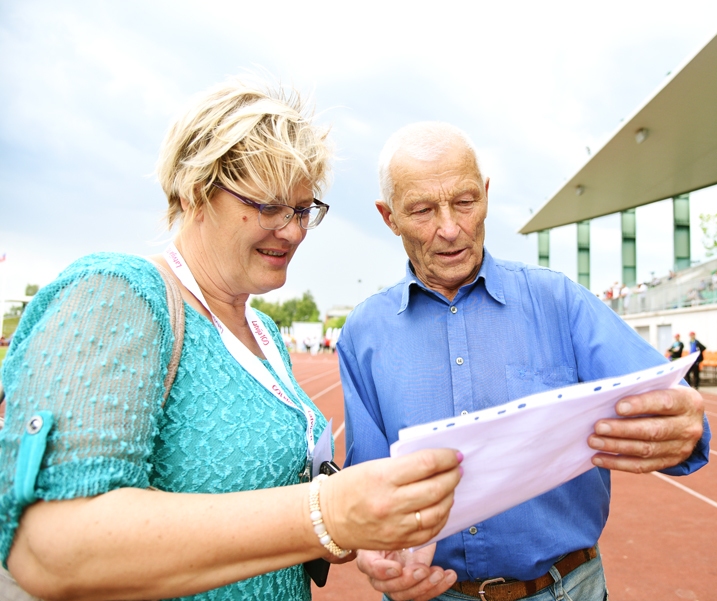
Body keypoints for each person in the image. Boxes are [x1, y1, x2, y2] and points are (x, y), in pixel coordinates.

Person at [0, 80, 462, 601]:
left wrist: (353, 530)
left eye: (302, 210)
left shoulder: (264, 333)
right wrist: (326, 512)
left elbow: (273, 509)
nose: (293, 231)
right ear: (195, 190)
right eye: (268, 206)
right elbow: (50, 547)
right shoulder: (119, 294)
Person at [338, 122, 710, 601]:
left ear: (486, 195)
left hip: (565, 589)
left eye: (465, 201)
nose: (449, 228)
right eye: (423, 210)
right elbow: (365, 486)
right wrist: (373, 548)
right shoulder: (363, 333)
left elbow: (673, 408)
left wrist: (684, 423)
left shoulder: (560, 301)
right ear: (389, 217)